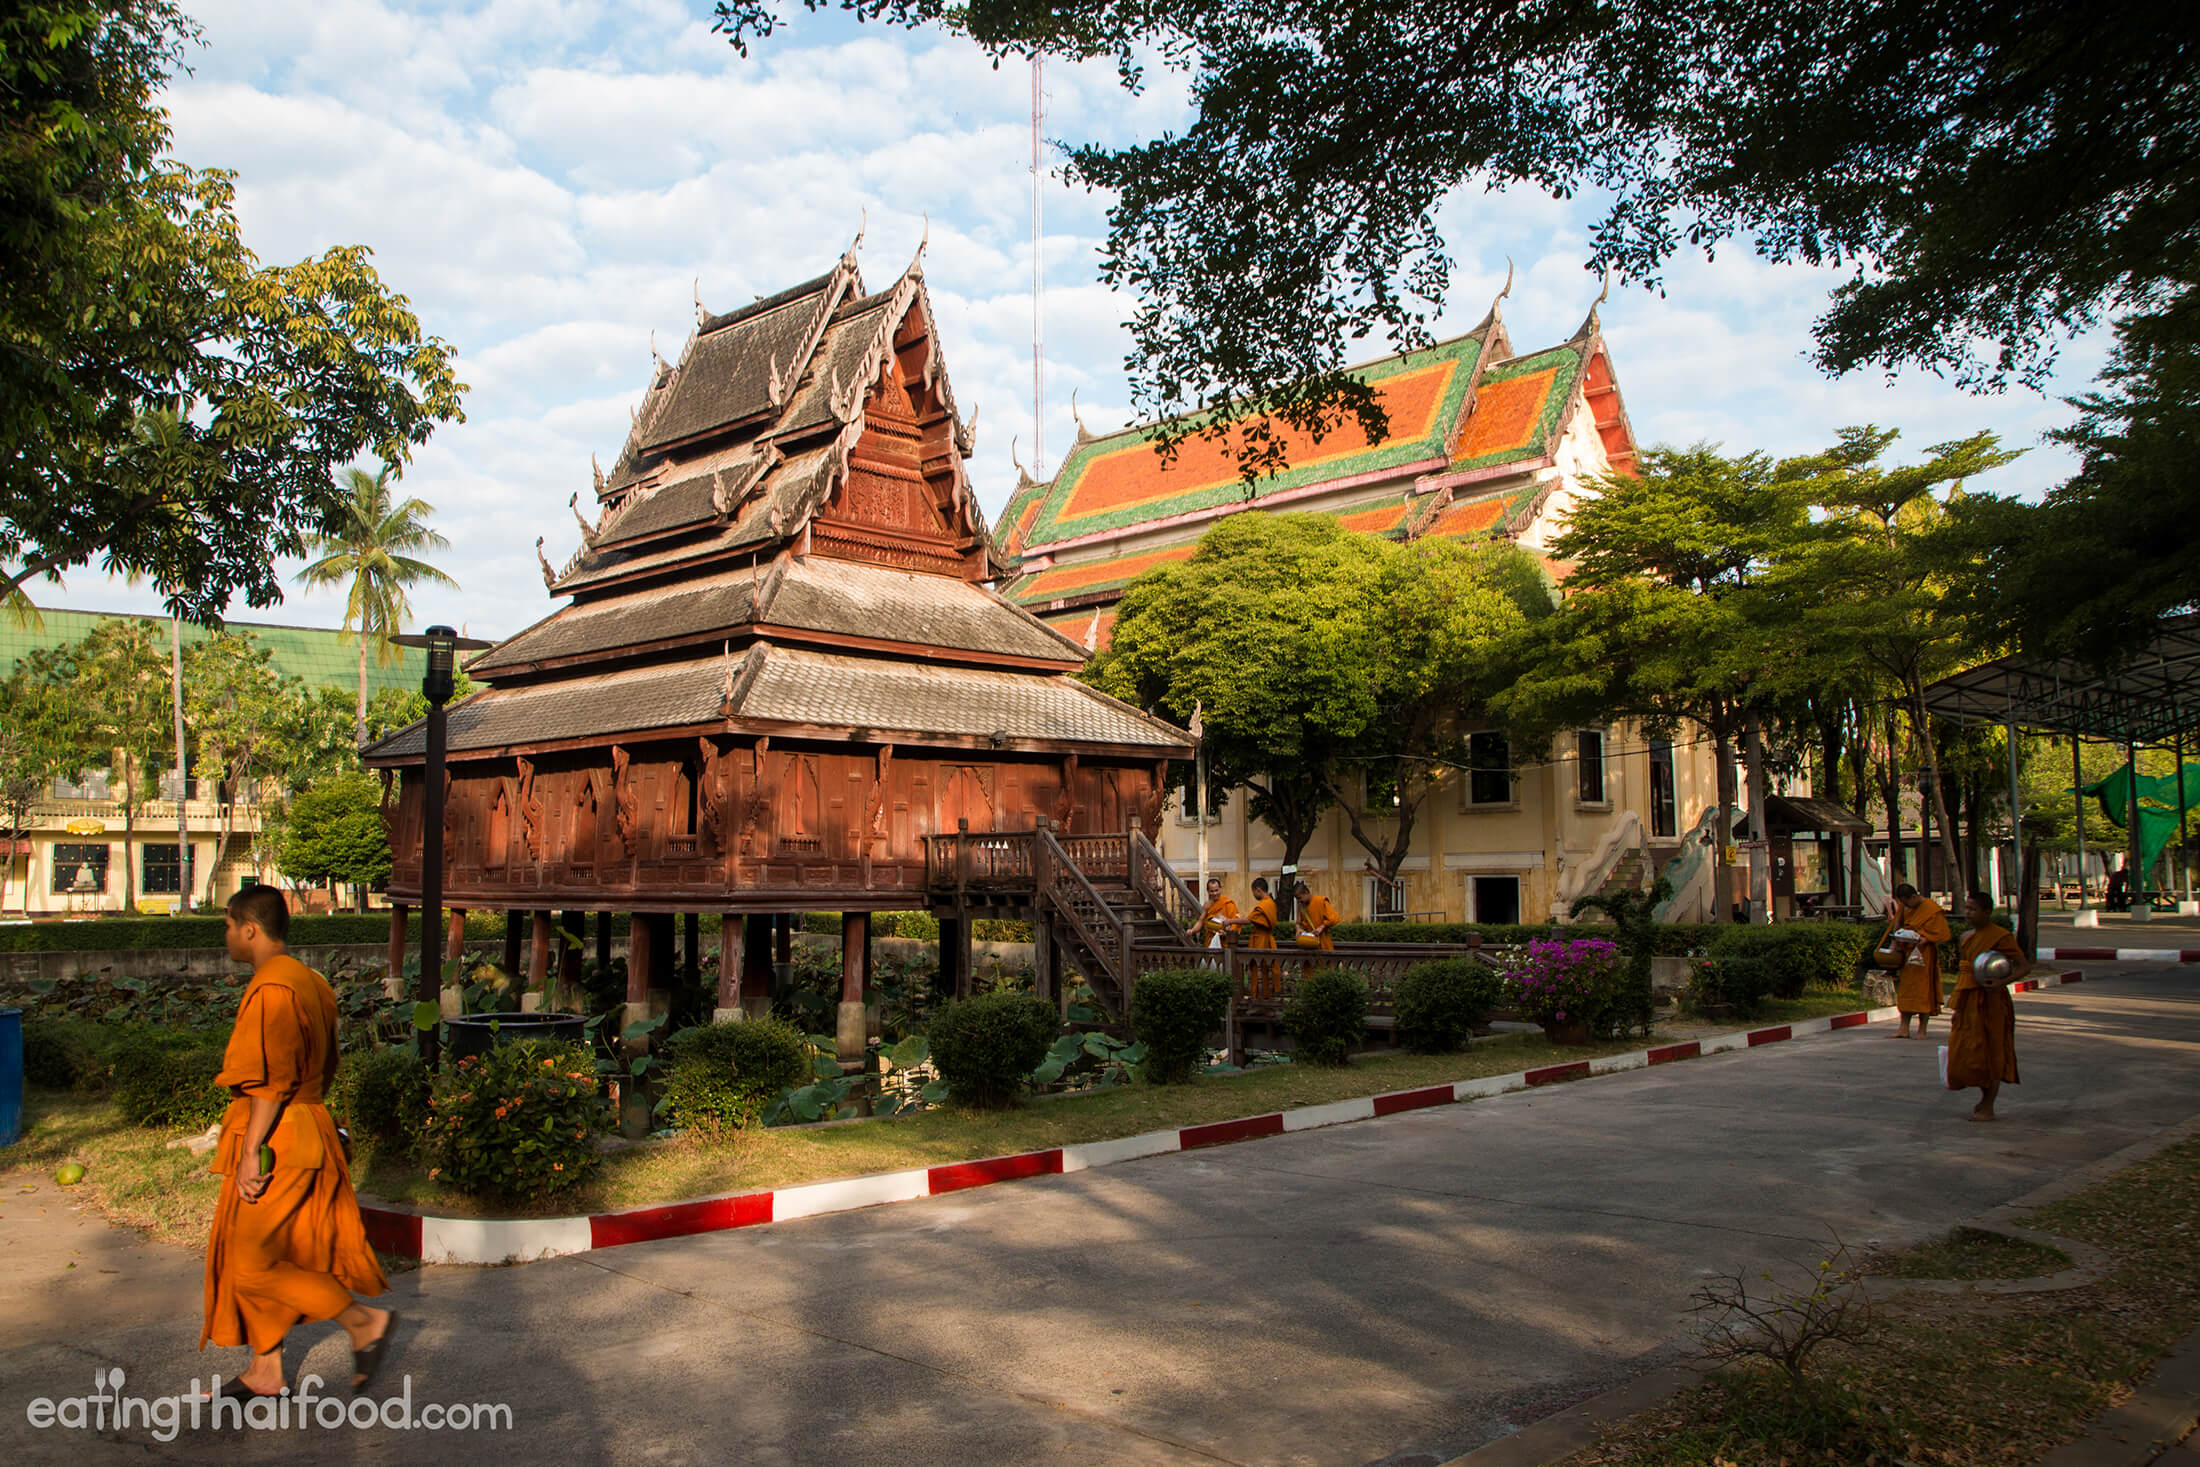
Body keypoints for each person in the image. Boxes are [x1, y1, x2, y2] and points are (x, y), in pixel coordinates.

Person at [202, 886, 396, 1399]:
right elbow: (326, 1064)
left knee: (250, 1263)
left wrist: (250, 1154)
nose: (225, 936)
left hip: (277, 1139)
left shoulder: (272, 988)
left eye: (227, 925)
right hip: (307, 1124)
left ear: (249, 928)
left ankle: (362, 1323)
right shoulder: (312, 981)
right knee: (277, 1250)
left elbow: (272, 1081)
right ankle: (265, 1372)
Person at [1949, 892, 2028, 1121]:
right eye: (1966, 908)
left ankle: (1988, 1105)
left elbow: (2024, 967)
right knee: (1966, 1049)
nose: (1968, 913)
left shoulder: (2001, 937)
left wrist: (2002, 982)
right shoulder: (1966, 937)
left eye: (1973, 909)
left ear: (1987, 912)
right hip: (1968, 999)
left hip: (1993, 1000)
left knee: (1992, 1050)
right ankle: (1983, 1097)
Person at [1880, 882, 1951, 1039]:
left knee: (1923, 992)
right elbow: (1897, 926)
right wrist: (1895, 945)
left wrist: (1926, 939)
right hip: (1907, 955)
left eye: (1907, 902)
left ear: (1914, 896)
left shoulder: (1931, 909)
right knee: (1905, 992)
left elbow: (1942, 933)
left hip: (1924, 956)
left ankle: (1922, 1030)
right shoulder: (1905, 907)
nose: (1906, 906)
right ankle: (1903, 1028)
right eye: (1903, 903)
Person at [1243, 877, 1278, 1000]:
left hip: (1261, 940)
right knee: (1263, 970)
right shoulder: (1270, 903)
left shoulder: (1264, 904)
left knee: (1261, 969)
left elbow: (1248, 920)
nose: (1253, 895)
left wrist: (1229, 921)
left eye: (1253, 892)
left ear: (1258, 890)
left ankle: (1262, 1002)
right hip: (1264, 939)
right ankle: (1262, 1000)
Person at [1294, 880, 1340, 952]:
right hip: (1308, 942)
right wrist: (1298, 929)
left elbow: (1334, 918)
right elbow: (1298, 922)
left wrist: (1321, 927)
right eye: (1297, 899)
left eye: (1300, 898)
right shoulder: (1301, 906)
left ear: (1306, 893)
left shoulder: (1321, 901)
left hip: (1323, 940)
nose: (1299, 901)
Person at [1197, 877, 1240, 949]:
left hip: (1226, 942)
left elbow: (1235, 921)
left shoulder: (1228, 903)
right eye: (1212, 891)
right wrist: (1192, 931)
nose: (1214, 893)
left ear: (1220, 889)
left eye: (1216, 890)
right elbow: (1201, 921)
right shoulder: (1207, 905)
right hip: (1211, 941)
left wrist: (1226, 933)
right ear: (1208, 891)